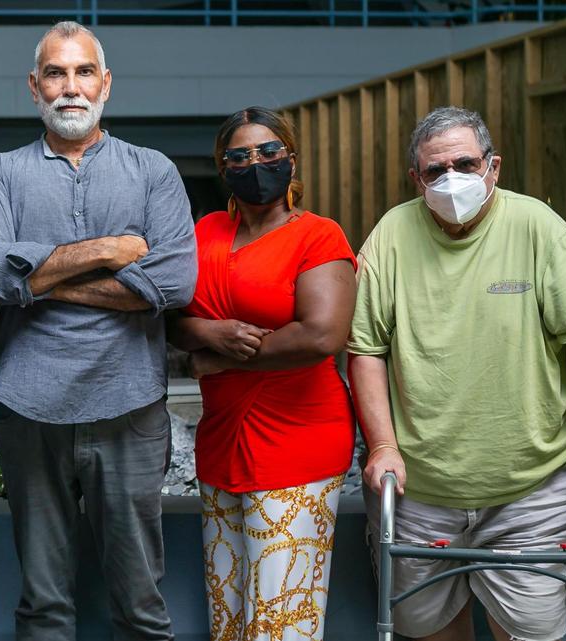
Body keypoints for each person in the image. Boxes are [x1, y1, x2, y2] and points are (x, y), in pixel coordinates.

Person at [348, 105, 566, 641]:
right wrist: (383, 445)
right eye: (436, 170)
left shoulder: (539, 229)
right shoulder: (391, 234)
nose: (451, 178)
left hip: (533, 491)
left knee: (527, 631)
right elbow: (366, 350)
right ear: (417, 179)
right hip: (421, 491)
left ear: (493, 167)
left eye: (465, 163)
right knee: (426, 628)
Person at [0, 21, 196, 641]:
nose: (71, 88)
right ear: (33, 86)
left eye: (83, 72)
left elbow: (173, 284)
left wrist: (37, 278)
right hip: (28, 407)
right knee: (43, 605)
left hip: (128, 406)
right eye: (56, 74)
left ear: (106, 84)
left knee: (141, 602)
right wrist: (108, 251)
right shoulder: (0, 174)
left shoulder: (153, 171)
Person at [170, 106, 357, 641]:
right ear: (223, 168)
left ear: (291, 162)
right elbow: (175, 321)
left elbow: (322, 335)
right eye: (240, 155)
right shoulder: (205, 230)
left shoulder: (318, 236)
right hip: (223, 440)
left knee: (281, 623)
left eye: (270, 151)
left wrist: (225, 356)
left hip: (297, 440)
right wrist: (210, 335)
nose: (257, 163)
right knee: (228, 617)